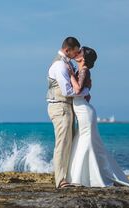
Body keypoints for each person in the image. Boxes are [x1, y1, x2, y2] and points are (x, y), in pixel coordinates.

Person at [65, 46, 129, 188]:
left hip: (85, 111)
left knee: (87, 143)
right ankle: (83, 176)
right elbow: (86, 92)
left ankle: (86, 178)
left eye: (79, 52)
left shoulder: (84, 70)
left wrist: (70, 75)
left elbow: (78, 89)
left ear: (83, 58)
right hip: (83, 109)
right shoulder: (82, 70)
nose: (76, 53)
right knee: (84, 142)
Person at [46, 37, 90, 189]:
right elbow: (67, 91)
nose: (77, 54)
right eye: (75, 51)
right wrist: (85, 91)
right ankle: (60, 180)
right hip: (60, 107)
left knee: (69, 143)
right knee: (62, 144)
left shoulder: (66, 63)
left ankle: (67, 176)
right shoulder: (59, 65)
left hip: (65, 107)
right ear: (67, 50)